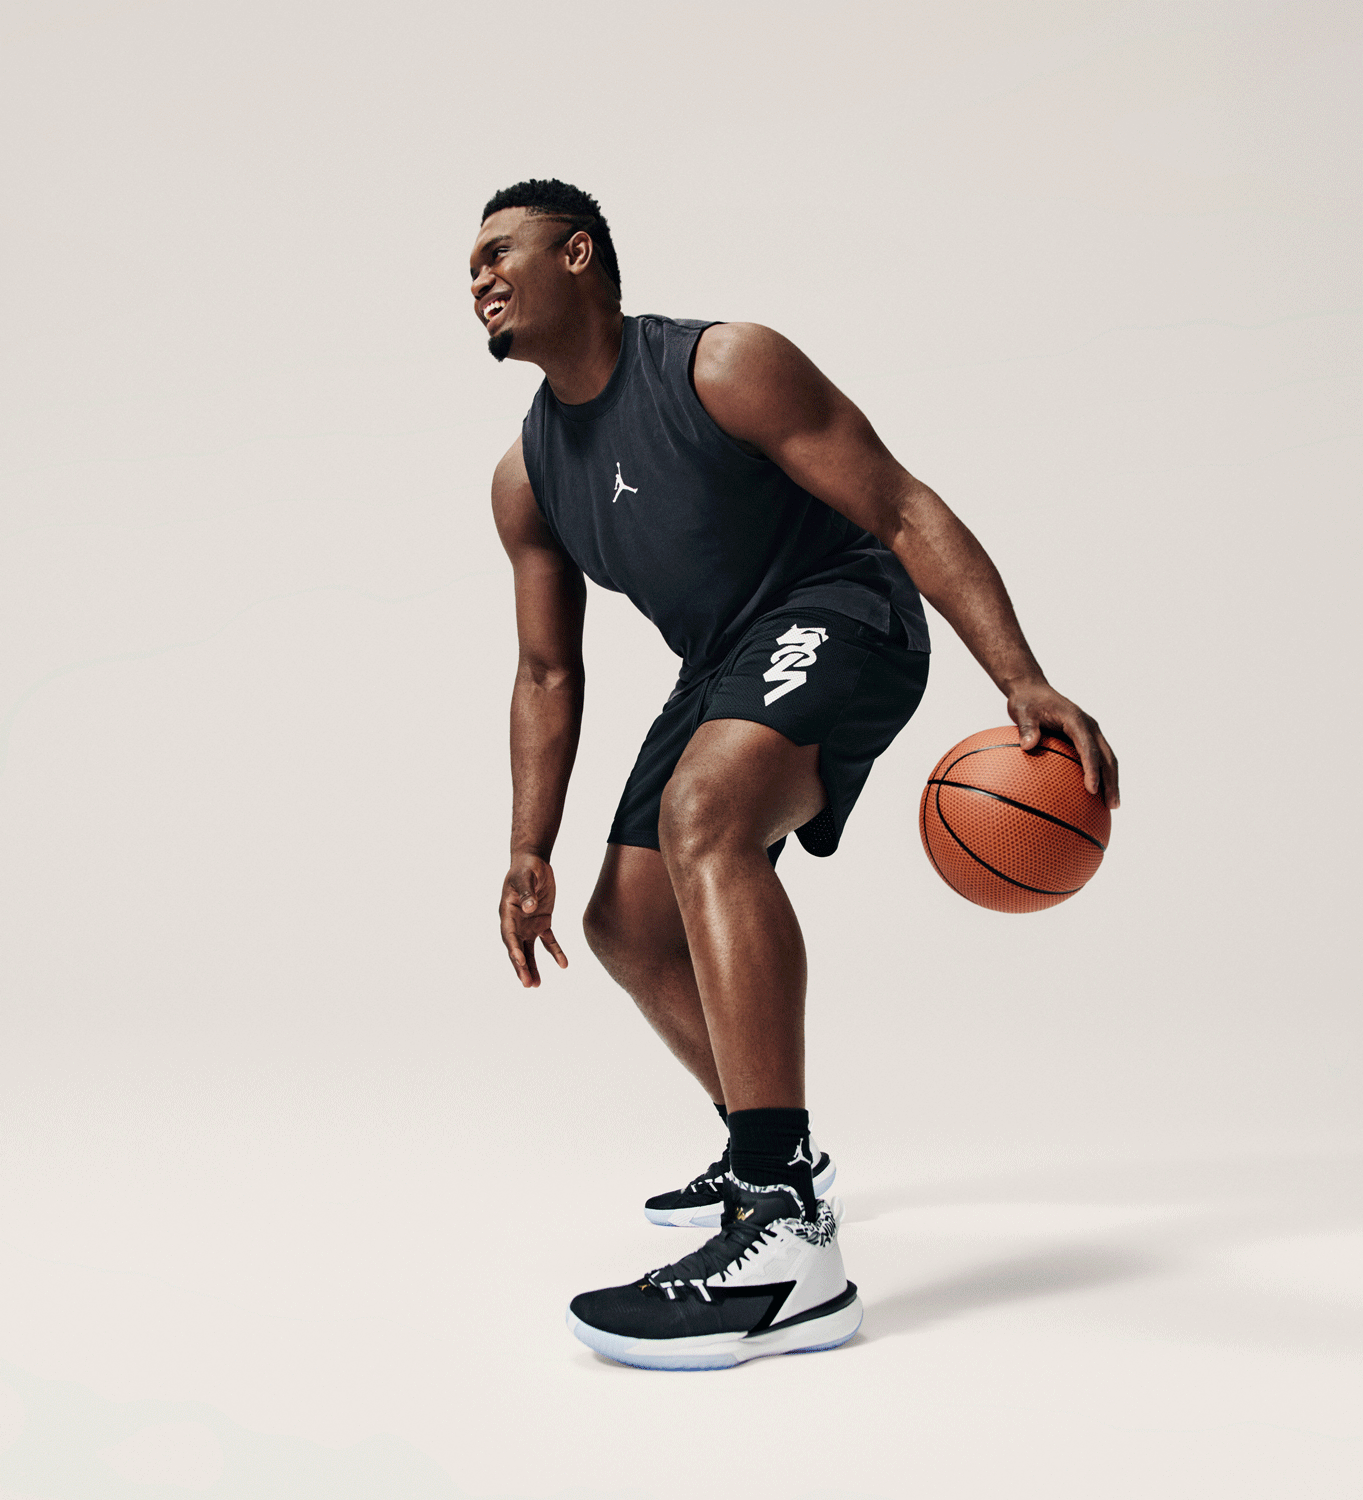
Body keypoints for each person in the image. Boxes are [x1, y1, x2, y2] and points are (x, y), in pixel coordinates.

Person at [470, 179, 1119, 1371]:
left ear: (578, 255)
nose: (479, 280)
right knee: (625, 923)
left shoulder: (721, 367)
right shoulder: (528, 478)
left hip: (845, 609)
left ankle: (784, 1237)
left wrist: (1019, 676)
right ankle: (772, 1152)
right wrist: (527, 847)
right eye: (469, 268)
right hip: (721, 660)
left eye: (500, 252)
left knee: (704, 812)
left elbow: (900, 506)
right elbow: (546, 671)